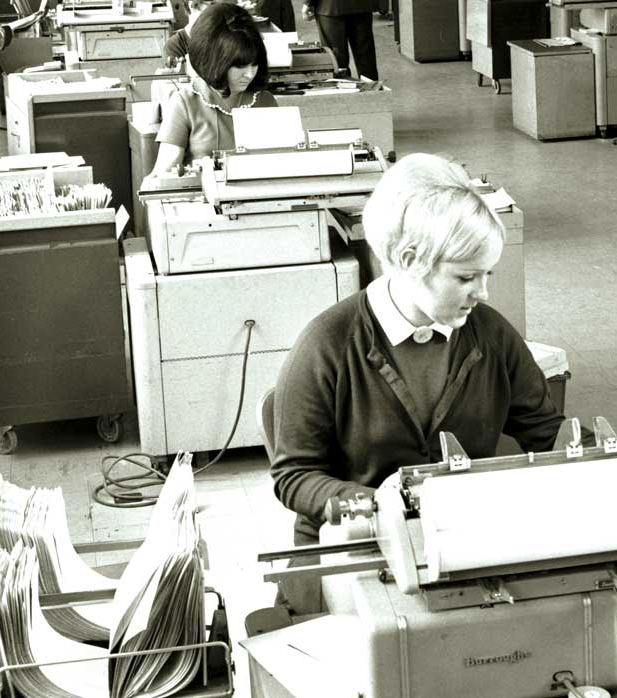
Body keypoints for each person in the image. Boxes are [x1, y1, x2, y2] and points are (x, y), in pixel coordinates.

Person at [270, 153, 565, 613]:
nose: (483, 293)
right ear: (409, 259)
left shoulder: (491, 334)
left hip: (458, 546)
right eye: (467, 277)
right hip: (352, 556)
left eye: (488, 275)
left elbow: (548, 435)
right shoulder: (326, 345)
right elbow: (293, 477)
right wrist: (378, 505)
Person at [151, 3, 278, 175]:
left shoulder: (265, 100)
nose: (249, 74)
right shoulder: (185, 102)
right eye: (239, 66)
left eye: (254, 65)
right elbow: (164, 170)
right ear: (216, 62)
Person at [302, 0, 379, 81]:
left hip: (330, 5)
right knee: (365, 54)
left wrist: (308, 3)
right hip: (362, 5)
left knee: (336, 59)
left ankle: (344, 87)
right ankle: (372, 87)